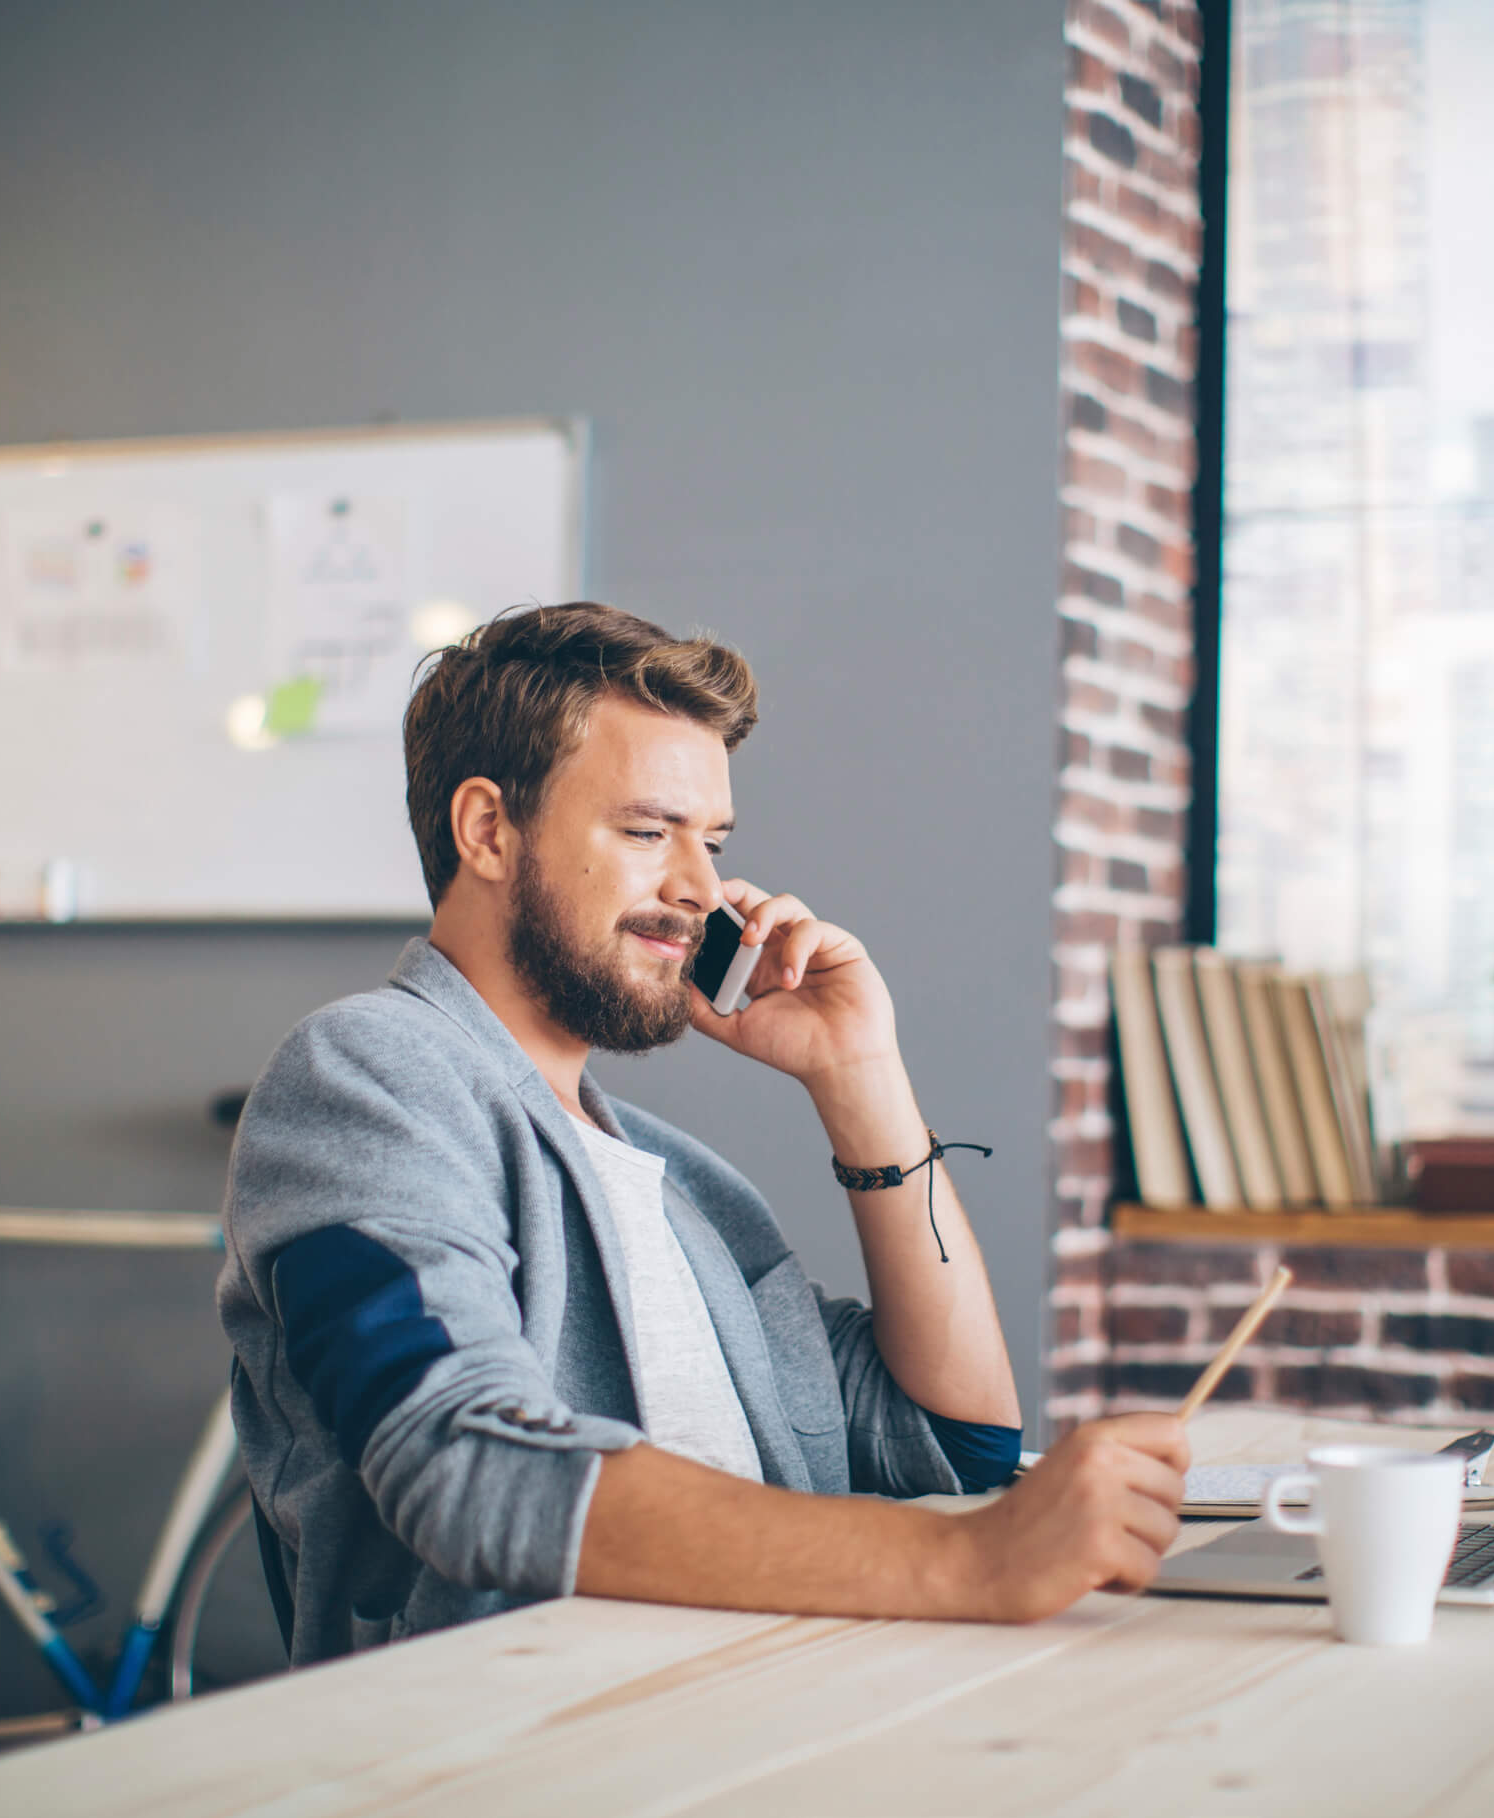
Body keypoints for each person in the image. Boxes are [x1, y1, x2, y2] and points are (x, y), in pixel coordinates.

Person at [218, 603, 1187, 1663]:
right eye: (647, 832)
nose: (697, 888)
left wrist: (862, 1078)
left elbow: (954, 1445)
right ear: (488, 830)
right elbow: (466, 1465)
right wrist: (968, 1566)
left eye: (712, 841)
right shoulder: (364, 1077)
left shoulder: (688, 1191)